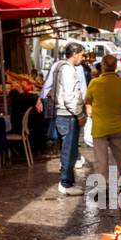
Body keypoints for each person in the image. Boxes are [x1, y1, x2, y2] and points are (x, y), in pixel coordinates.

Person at [37, 42, 86, 195]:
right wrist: (79, 114)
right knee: (69, 150)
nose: (83, 58)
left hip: (61, 113)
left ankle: (67, 182)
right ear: (75, 53)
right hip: (68, 114)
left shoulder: (58, 66)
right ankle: (66, 184)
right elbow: (70, 96)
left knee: (67, 149)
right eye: (82, 55)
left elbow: (49, 87)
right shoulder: (68, 70)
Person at [86, 53, 121, 202]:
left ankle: (101, 190)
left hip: (100, 128)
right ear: (116, 66)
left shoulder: (94, 83)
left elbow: (87, 102)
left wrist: (90, 111)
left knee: (101, 160)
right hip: (117, 126)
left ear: (103, 66)